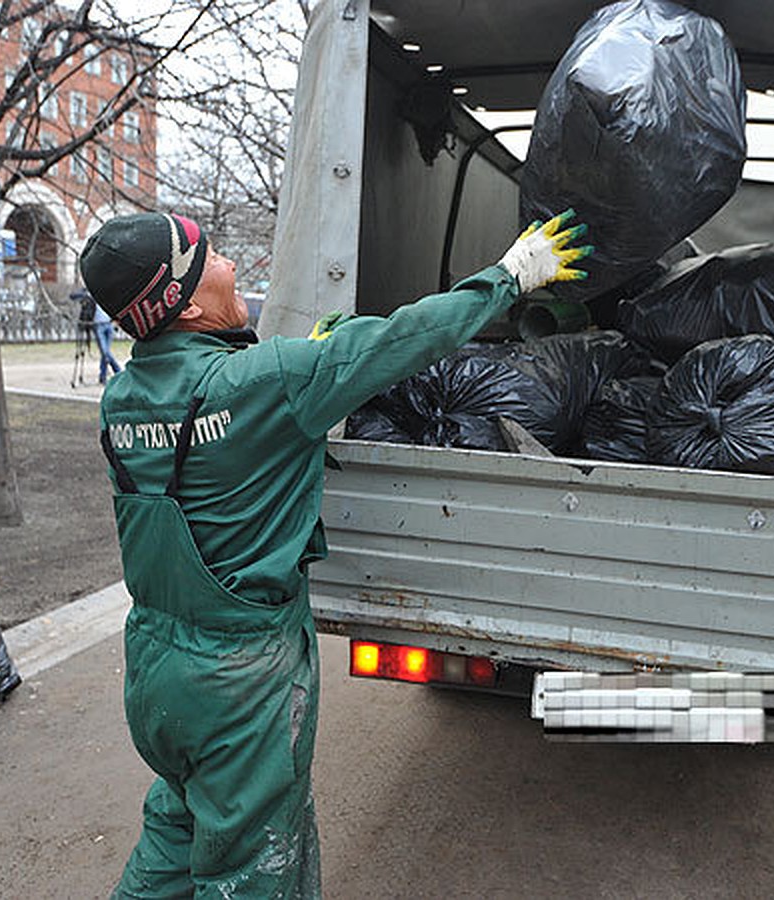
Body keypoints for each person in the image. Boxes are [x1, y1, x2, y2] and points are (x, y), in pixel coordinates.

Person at [79, 209, 592, 897]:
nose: (233, 266)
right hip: (238, 685)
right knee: (255, 867)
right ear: (191, 303)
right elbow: (403, 339)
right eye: (216, 258)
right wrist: (506, 278)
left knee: (178, 829)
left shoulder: (122, 399)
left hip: (156, 669)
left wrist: (304, 368)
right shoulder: (270, 383)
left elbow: (207, 409)